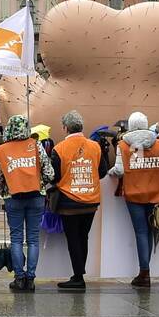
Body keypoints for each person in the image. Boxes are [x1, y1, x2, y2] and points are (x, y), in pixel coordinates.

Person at [0, 114, 54, 292]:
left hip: (14, 199)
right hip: (36, 197)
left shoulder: (2, 150)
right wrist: (40, 182)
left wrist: (4, 191)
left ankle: (19, 278)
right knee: (33, 239)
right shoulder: (36, 146)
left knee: (16, 238)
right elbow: (50, 173)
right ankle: (30, 279)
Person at [109, 111, 159, 287]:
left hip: (134, 194)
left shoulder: (125, 144)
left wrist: (109, 174)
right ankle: (146, 270)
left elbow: (120, 170)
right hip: (156, 194)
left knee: (141, 232)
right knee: (151, 230)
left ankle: (144, 272)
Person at [48, 110, 110, 292]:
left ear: (65, 128)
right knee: (84, 237)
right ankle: (78, 274)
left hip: (69, 202)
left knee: (73, 239)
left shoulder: (59, 149)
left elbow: (54, 175)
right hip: (90, 201)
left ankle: (78, 277)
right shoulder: (95, 147)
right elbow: (103, 172)